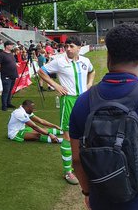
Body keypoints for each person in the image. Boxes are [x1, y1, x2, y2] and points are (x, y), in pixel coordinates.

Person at [69, 24, 138, 209]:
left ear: (108, 56)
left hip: (101, 198)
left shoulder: (83, 101)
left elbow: (76, 160)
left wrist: (87, 193)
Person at [36, 37, 94, 184]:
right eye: (66, 46)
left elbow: (92, 72)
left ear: (79, 48)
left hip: (84, 100)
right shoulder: (59, 61)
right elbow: (41, 71)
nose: (68, 49)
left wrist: (89, 84)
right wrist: (56, 86)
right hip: (68, 100)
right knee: (68, 136)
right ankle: (68, 171)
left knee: (84, 134)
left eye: (71, 46)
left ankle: (81, 165)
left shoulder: (85, 61)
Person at [0, 41, 20, 111]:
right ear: (7, 46)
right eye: (11, 45)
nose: (12, 46)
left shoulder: (11, 54)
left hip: (13, 75)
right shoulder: (2, 54)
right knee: (6, 90)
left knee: (10, 90)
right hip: (6, 76)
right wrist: (4, 70)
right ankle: (4, 105)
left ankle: (8, 103)